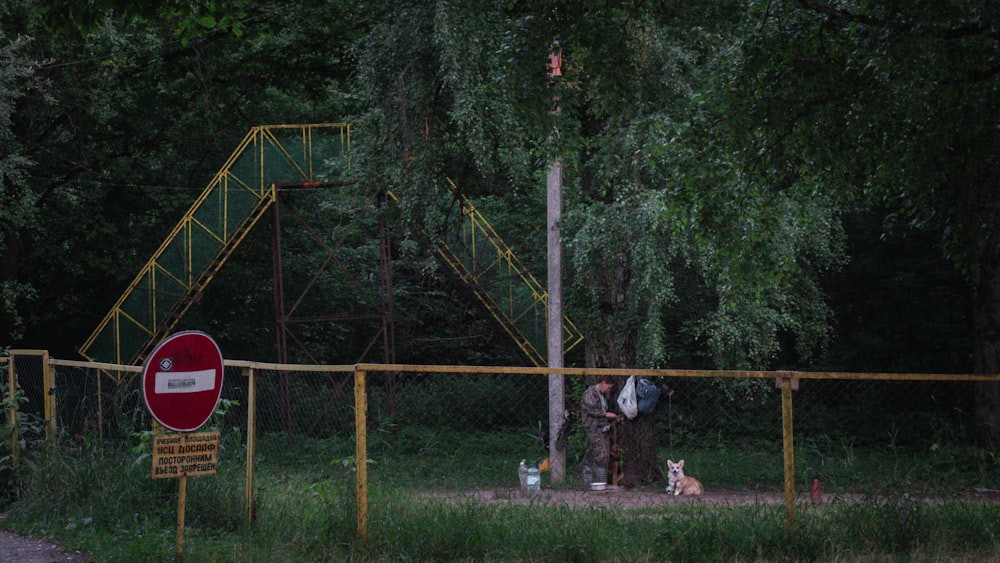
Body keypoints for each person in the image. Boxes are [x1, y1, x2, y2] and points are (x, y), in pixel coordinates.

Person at [580, 375, 618, 485]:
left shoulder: (602, 395)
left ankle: (600, 480)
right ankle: (594, 480)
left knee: (605, 454)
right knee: (600, 453)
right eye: (608, 387)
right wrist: (606, 414)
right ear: (603, 382)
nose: (608, 390)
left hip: (603, 428)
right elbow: (591, 409)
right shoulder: (590, 394)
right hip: (593, 428)